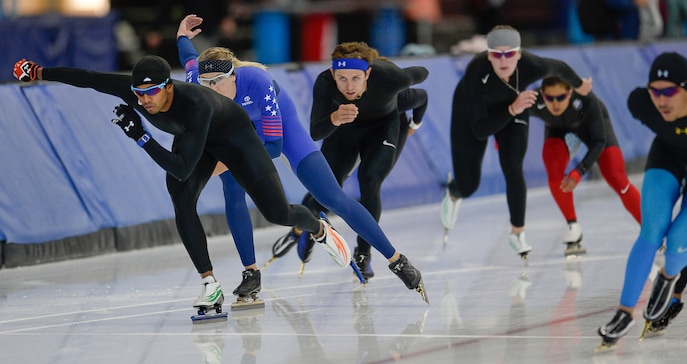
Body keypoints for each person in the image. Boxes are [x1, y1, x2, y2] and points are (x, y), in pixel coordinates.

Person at [11, 55, 351, 316]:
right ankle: (209, 283)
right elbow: (87, 79)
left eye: (152, 93)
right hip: (195, 143)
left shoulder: (196, 104)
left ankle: (318, 228)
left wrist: (141, 136)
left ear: (169, 87)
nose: (145, 101)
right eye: (139, 94)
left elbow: (183, 166)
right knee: (181, 198)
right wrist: (38, 72)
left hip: (236, 141)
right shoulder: (137, 93)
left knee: (279, 212)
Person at [175, 14, 427, 301]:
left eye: (219, 82)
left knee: (333, 198)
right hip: (238, 130)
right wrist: (182, 36)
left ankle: (396, 260)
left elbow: (272, 146)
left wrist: (226, 162)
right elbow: (189, 59)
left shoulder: (258, 81)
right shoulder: (199, 83)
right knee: (232, 192)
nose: (212, 90)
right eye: (206, 84)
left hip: (279, 128)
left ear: (233, 75)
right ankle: (251, 273)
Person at [275, 41, 429, 287]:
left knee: (370, 180)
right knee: (328, 187)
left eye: (356, 78)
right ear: (332, 73)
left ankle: (363, 253)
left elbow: (422, 88)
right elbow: (316, 131)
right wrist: (335, 117)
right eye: (342, 78)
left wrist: (414, 125)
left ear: (368, 73)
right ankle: (306, 228)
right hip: (344, 130)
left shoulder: (389, 78)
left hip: (383, 127)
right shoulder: (325, 84)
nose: (349, 86)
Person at [441, 25, 592, 259]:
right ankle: (454, 191)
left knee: (513, 166)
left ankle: (517, 233)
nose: (504, 60)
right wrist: (513, 108)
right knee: (470, 185)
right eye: (497, 54)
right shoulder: (476, 72)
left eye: (510, 53)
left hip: (516, 105)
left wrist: (580, 84)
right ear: (489, 55)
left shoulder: (533, 65)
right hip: (474, 114)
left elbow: (560, 68)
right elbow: (481, 131)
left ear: (519, 54)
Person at [597, 52, 687, 349]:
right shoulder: (640, 103)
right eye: (655, 91)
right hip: (668, 159)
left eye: (669, 91)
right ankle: (624, 312)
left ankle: (667, 278)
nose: (661, 100)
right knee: (652, 230)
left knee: (680, 239)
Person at [530, 76, 641, 256]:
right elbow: (512, 116)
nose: (555, 104)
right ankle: (572, 225)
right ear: (542, 94)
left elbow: (598, 142)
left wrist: (580, 170)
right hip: (558, 132)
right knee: (553, 166)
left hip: (591, 131)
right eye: (549, 98)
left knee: (617, 178)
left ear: (571, 92)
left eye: (561, 97)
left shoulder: (588, 100)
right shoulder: (533, 100)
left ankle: (651, 230)